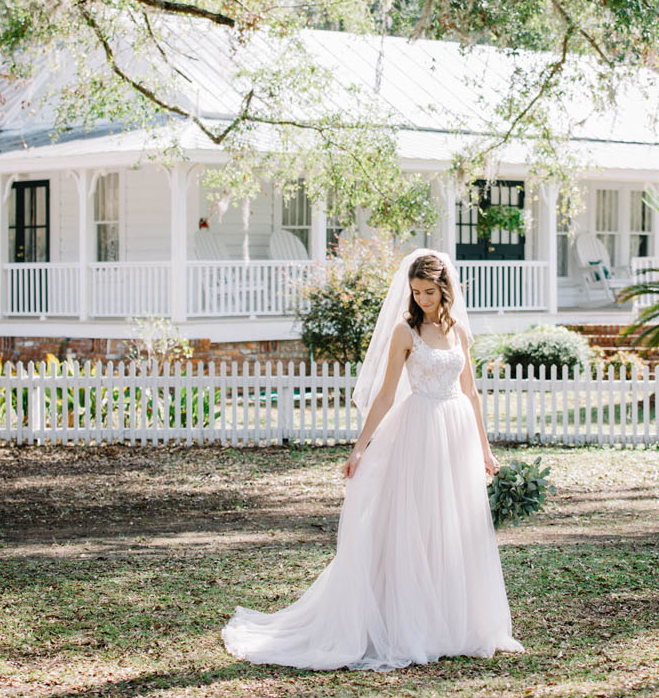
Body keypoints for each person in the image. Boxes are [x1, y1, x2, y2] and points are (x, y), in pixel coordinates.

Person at [220, 249, 525, 671]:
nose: (422, 299)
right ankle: (411, 622)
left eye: (429, 292)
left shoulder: (459, 332)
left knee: (454, 522)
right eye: (416, 292)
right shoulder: (405, 332)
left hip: (455, 431)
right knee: (416, 522)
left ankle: (460, 622)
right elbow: (385, 395)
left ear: (445, 289)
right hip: (419, 429)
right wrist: (360, 445)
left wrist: (485, 448)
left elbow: (471, 392)